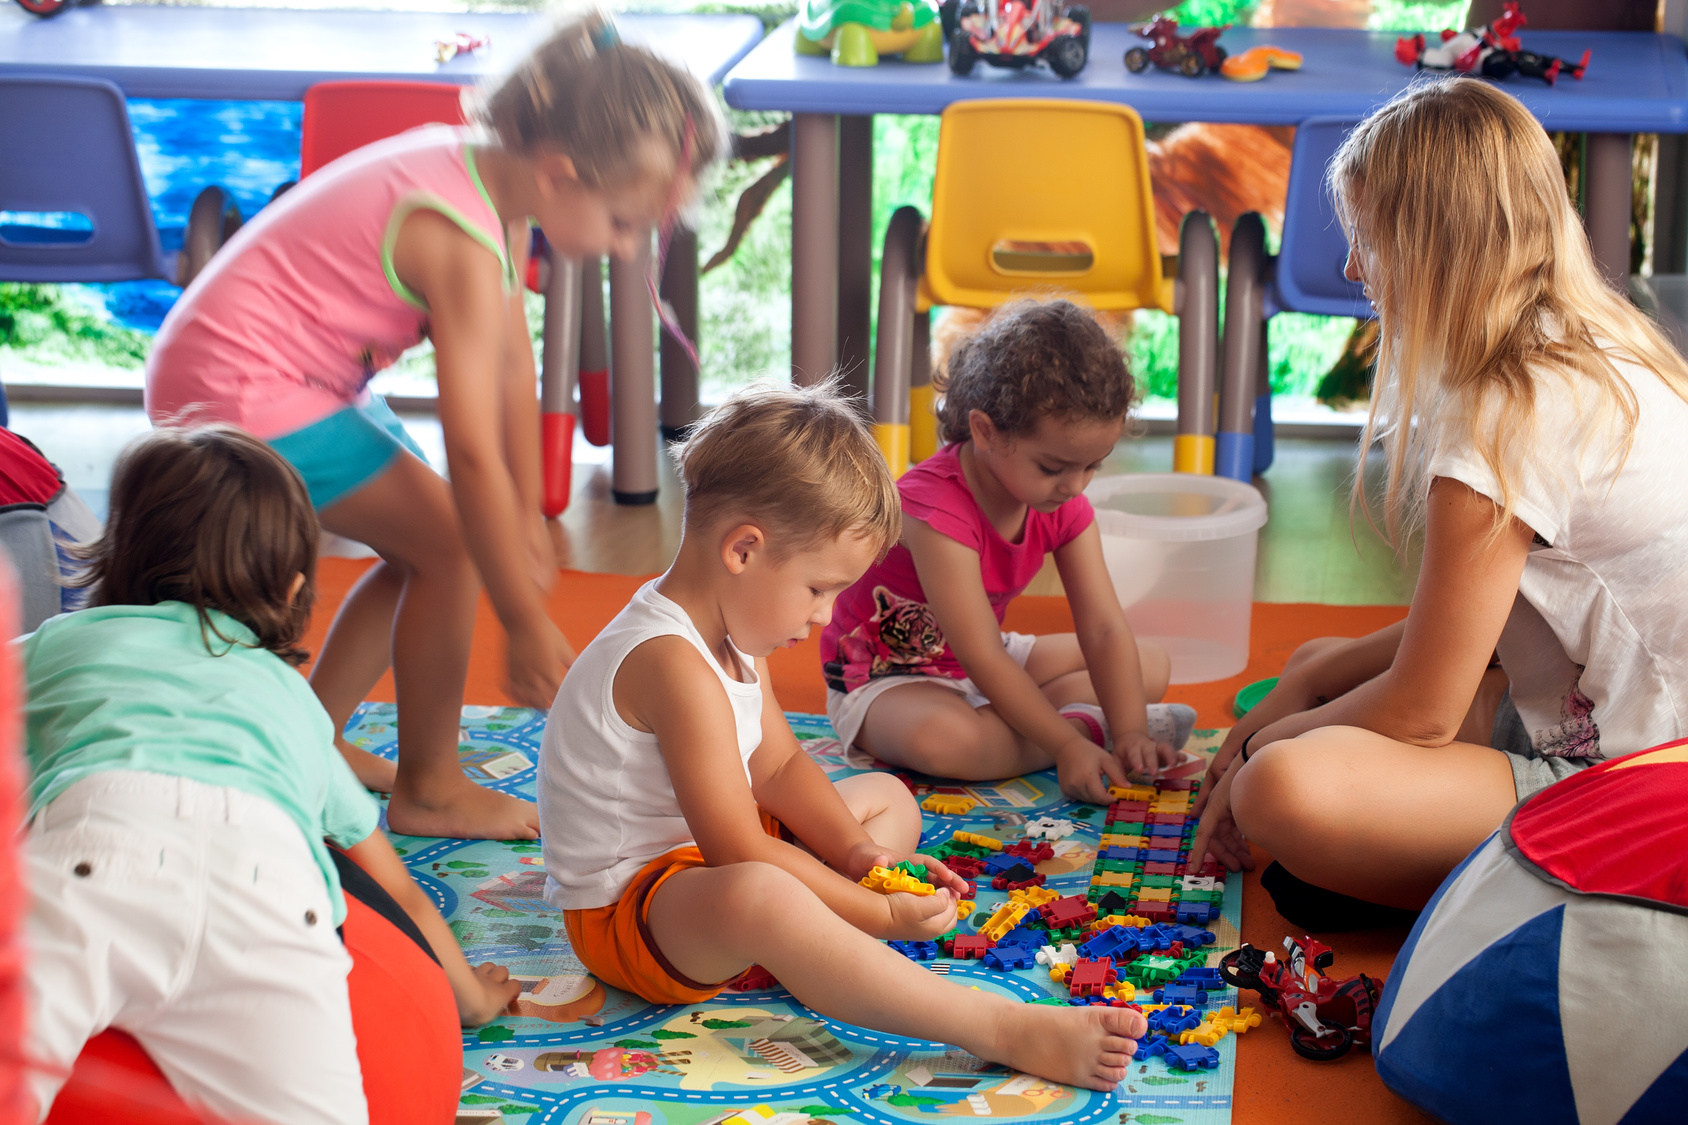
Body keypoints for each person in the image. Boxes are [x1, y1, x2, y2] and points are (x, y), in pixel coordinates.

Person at [143, 10, 726, 840]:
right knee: (449, 546)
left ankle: (316, 736)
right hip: (236, 384)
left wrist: (528, 512)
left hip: (287, 372)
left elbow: (514, 375)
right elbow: (472, 447)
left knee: (430, 544)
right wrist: (522, 621)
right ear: (560, 173)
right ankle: (431, 786)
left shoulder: (493, 187)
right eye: (625, 224)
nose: (627, 246)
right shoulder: (454, 234)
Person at [537, 383, 1145, 1090]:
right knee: (762, 893)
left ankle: (816, 949)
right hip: (632, 914)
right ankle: (997, 1027)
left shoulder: (733, 630)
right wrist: (876, 911)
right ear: (743, 550)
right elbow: (735, 850)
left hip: (706, 860)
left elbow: (778, 762)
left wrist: (859, 856)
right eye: (818, 588)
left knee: (887, 799)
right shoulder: (673, 663)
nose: (826, 617)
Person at [1190, 78, 1688, 925]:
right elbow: (1480, 627)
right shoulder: (1591, 334)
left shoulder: (1507, 410)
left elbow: (1421, 711)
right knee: (1321, 658)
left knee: (1281, 785)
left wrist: (1261, 748)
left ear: (1433, 247)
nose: (1353, 270)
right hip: (1606, 719)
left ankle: (1523, 894)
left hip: (1641, 786)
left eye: (1368, 242)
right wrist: (1311, 676)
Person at [21, 426, 520, 1125]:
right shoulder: (293, 703)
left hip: (94, 858)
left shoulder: (63, 642)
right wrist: (466, 995)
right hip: (267, 895)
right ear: (291, 590)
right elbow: (395, 882)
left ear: (118, 555)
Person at [820, 299, 1195, 805]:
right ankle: (1079, 733)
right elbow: (980, 654)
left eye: (1092, 467)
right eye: (1054, 467)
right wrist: (1063, 744)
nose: (1074, 486)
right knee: (948, 743)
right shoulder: (933, 506)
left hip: (988, 659)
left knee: (1149, 666)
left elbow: (1104, 628)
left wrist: (1130, 734)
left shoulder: (1060, 500)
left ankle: (1074, 730)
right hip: (889, 676)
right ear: (985, 431)